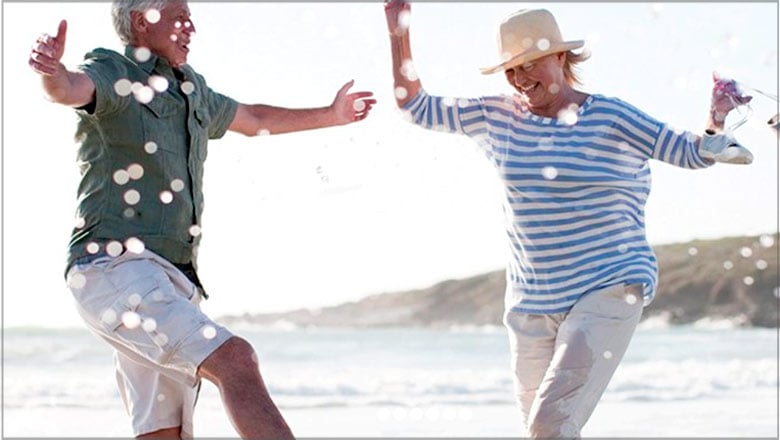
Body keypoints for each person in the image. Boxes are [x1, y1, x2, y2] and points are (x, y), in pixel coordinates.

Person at [384, 1, 751, 438]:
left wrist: (717, 115)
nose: (521, 79)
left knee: (549, 424)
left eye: (531, 63)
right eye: (512, 70)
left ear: (560, 57)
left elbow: (690, 152)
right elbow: (415, 107)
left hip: (609, 287)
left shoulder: (611, 116)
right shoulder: (496, 116)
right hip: (531, 305)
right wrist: (398, 34)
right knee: (545, 432)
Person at [29, 1, 375, 438]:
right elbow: (68, 88)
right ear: (142, 21)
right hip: (113, 269)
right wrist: (50, 72)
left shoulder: (191, 91)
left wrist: (332, 114)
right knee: (235, 360)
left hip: (170, 279)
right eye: (178, 16)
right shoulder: (115, 72)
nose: (190, 26)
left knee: (164, 431)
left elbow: (253, 118)